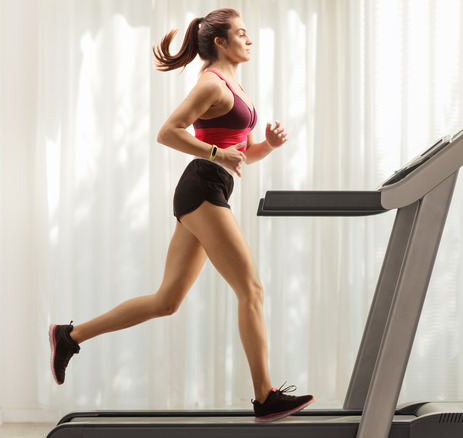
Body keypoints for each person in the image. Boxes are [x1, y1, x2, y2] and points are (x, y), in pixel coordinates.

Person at [48, 8, 314, 422]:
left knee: (166, 301)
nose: (249, 39)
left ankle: (70, 335)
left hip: (210, 186)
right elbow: (169, 131)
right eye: (241, 34)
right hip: (203, 187)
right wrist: (213, 152)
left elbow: (237, 155)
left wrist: (268, 146)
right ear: (220, 42)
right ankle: (265, 396)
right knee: (252, 290)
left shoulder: (231, 84)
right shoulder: (211, 83)